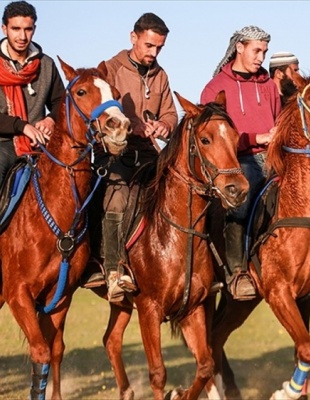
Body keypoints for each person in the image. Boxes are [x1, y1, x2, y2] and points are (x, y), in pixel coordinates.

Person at [91, 13, 178, 302]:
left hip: (151, 154)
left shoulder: (160, 75)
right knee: (118, 196)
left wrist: (164, 125)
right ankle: (112, 270)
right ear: (133, 38)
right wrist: (133, 124)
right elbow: (103, 111)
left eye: (159, 48)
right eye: (149, 45)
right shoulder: (110, 69)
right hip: (115, 153)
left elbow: (170, 114)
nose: (154, 53)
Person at [200, 25, 280, 301]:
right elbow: (210, 137)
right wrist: (257, 137)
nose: (261, 57)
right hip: (239, 161)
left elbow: (279, 123)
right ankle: (237, 272)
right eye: (256, 51)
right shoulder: (215, 88)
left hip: (274, 159)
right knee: (240, 200)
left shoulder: (269, 86)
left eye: (264, 52)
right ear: (239, 47)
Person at [0, 0, 64, 186]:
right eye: (16, 29)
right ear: (4, 29)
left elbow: (61, 101)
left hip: (39, 144)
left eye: (28, 29)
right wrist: (22, 126)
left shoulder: (47, 64)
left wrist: (51, 119)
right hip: (3, 142)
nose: (22, 36)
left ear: (34, 29)